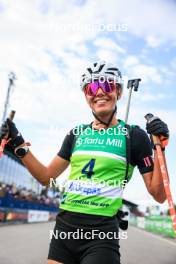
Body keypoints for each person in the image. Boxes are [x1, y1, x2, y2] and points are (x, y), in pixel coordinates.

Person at [0, 61, 169, 264]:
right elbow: (46, 178)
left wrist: (159, 148)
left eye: (106, 85)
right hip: (65, 230)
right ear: (86, 96)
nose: (99, 92)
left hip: (101, 233)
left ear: (119, 92)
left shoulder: (133, 135)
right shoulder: (76, 133)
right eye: (92, 87)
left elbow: (158, 195)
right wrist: (18, 142)